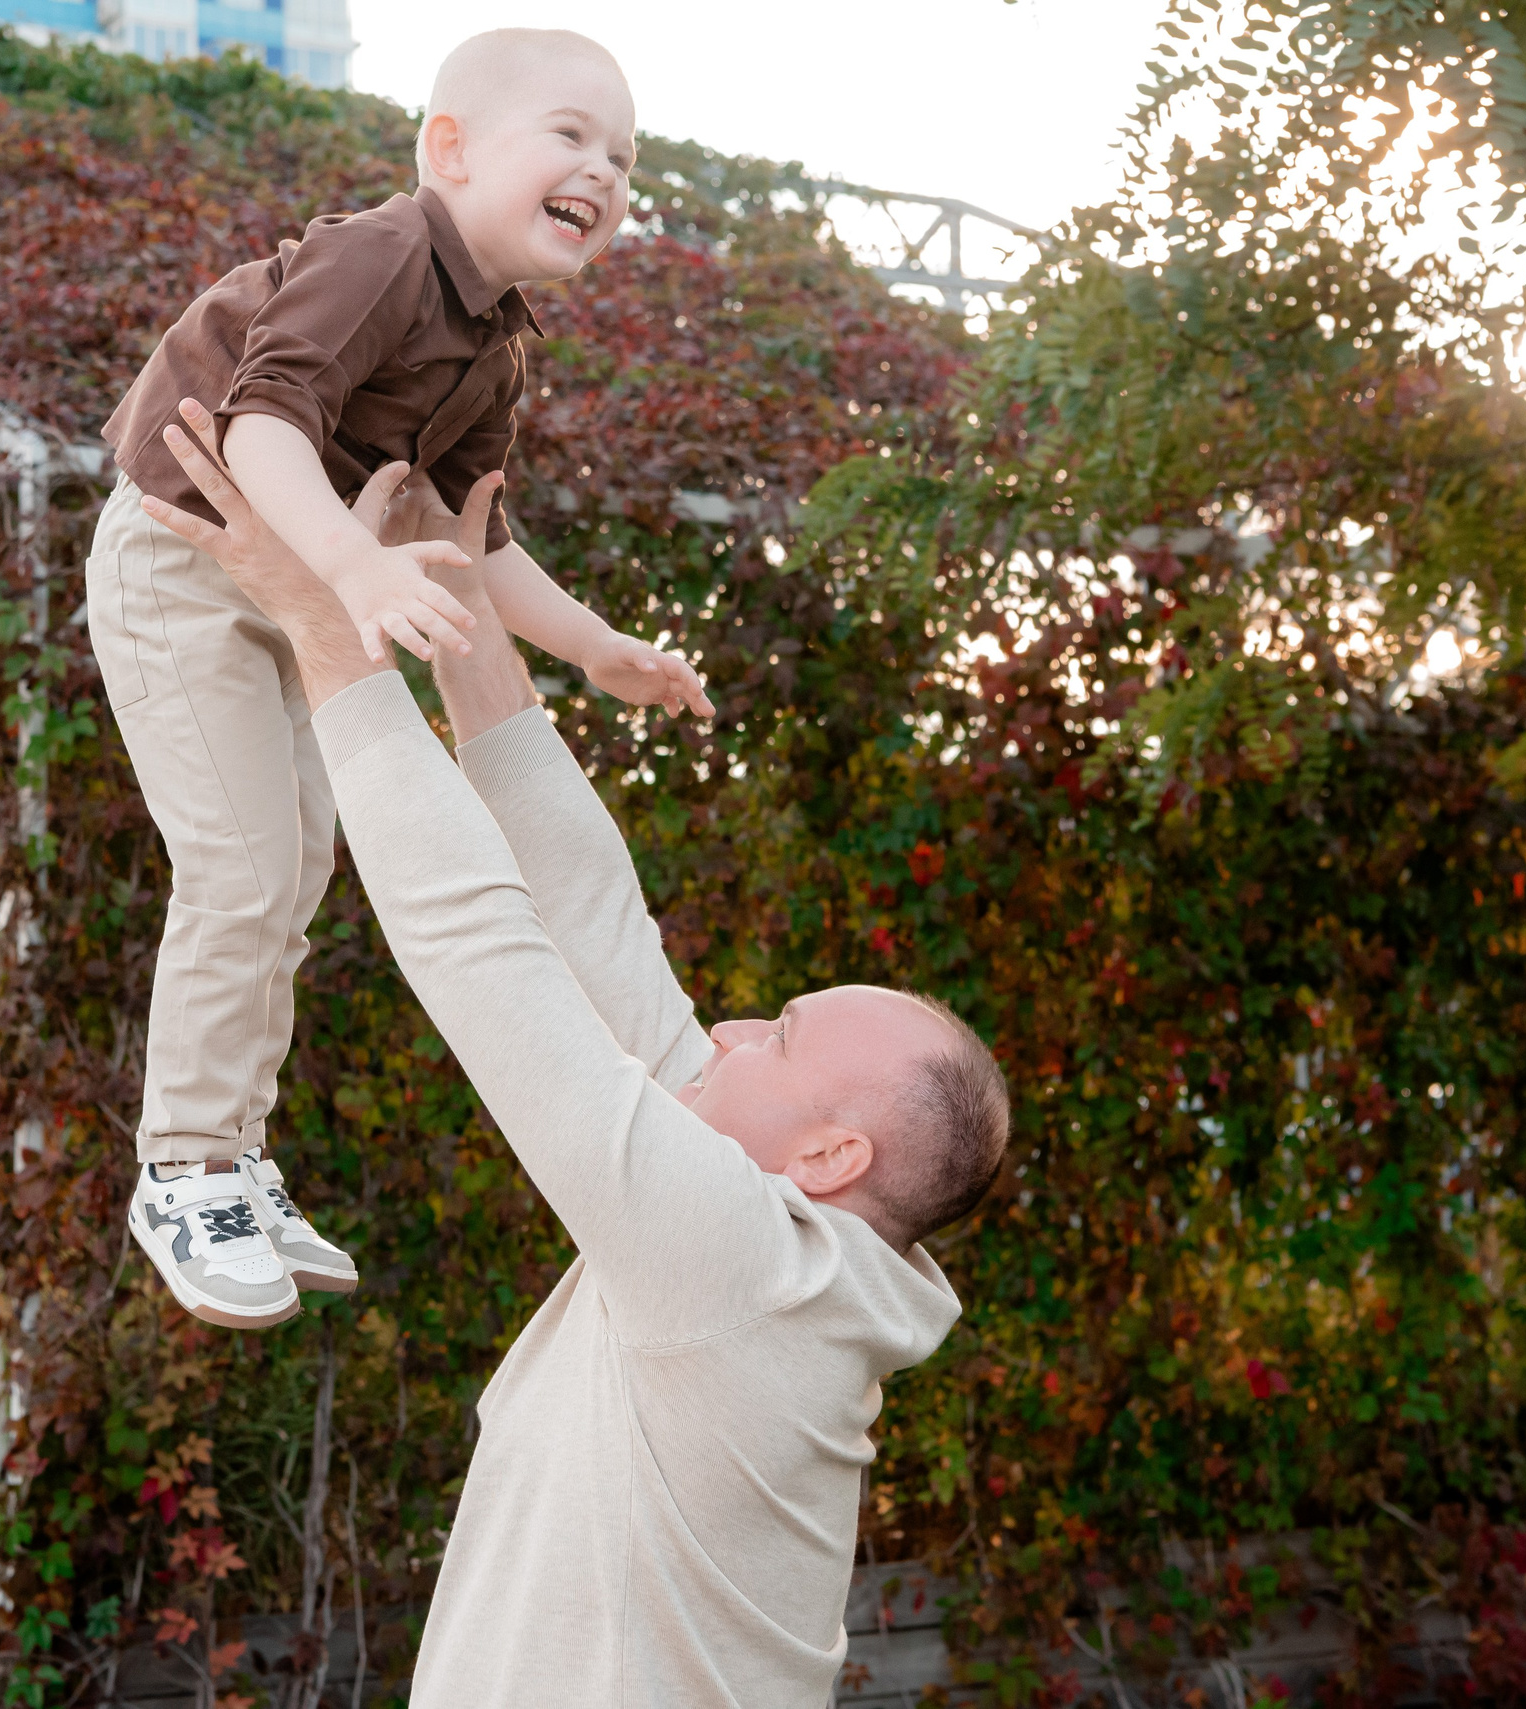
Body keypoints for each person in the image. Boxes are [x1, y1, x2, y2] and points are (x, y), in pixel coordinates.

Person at [135, 413, 1010, 1708]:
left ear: (831, 1154)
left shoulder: (740, 1261)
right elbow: (594, 923)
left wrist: (324, 618)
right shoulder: (781, 1243)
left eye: (779, 1032)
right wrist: (463, 605)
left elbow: (486, 952)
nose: (724, 1028)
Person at [90, 28, 711, 1328]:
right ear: (451, 150)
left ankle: (239, 1155)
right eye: (572, 136)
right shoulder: (384, 252)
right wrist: (353, 576)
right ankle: (187, 1165)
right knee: (244, 866)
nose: (603, 170)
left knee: (295, 864)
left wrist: (595, 646)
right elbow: (262, 422)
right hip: (183, 559)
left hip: (293, 576)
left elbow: (471, 532)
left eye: (624, 155)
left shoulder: (495, 340)